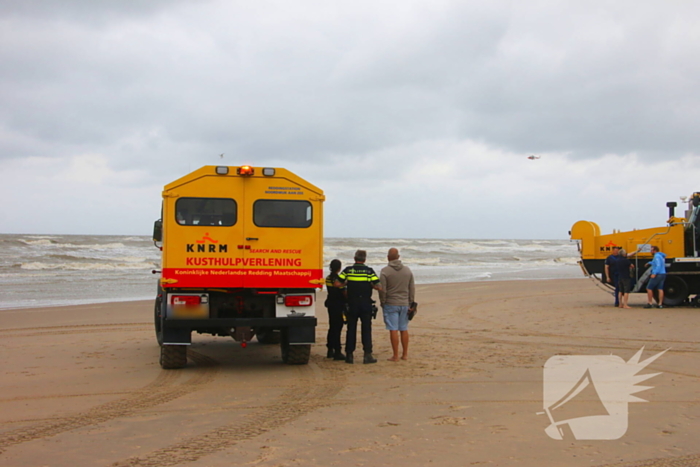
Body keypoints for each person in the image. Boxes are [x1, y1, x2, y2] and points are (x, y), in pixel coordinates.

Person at [336, 250, 382, 364]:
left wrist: (345, 284)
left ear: (354, 258)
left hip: (352, 304)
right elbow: (379, 286)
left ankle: (349, 355)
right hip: (366, 304)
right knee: (366, 329)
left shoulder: (348, 270)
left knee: (351, 329)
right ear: (364, 259)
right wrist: (371, 285)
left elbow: (336, 283)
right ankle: (367, 355)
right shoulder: (369, 271)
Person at [379, 248, 416, 362]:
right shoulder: (407, 270)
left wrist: (383, 302)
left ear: (388, 257)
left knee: (393, 329)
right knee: (404, 329)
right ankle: (404, 354)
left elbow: (382, 289)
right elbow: (411, 288)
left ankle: (395, 355)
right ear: (399, 257)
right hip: (405, 303)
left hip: (391, 303)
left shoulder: (385, 271)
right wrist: (411, 303)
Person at [324, 259, 346, 361]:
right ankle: (337, 351)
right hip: (338, 304)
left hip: (330, 303)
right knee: (338, 327)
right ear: (339, 268)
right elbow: (343, 292)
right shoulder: (338, 279)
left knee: (332, 326)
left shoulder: (328, 278)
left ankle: (330, 350)